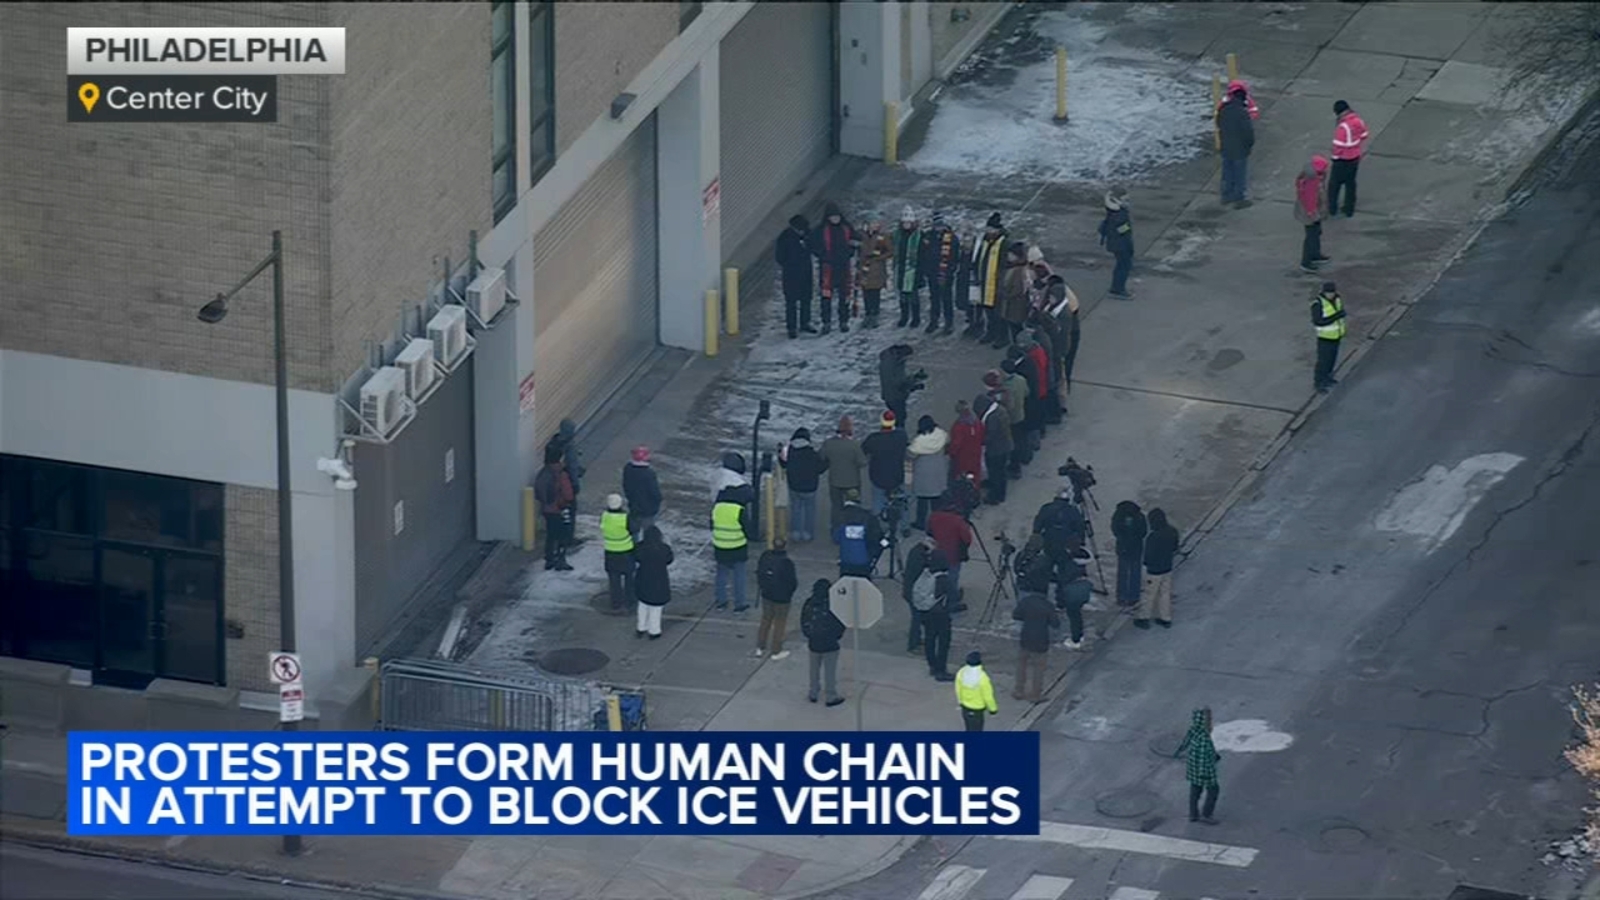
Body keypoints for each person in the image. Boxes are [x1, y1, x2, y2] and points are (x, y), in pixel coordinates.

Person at [811, 201, 858, 333]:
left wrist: (851, 250)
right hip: (828, 268)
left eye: (837, 216)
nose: (835, 219)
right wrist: (822, 255)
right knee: (826, 297)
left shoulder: (846, 227)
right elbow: (812, 244)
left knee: (844, 296)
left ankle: (844, 321)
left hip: (844, 267)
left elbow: (856, 240)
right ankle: (826, 322)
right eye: (832, 217)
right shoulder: (821, 230)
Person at [1012, 569, 1059, 703]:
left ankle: (1018, 690)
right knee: (1039, 668)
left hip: (1025, 637)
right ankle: (1035, 694)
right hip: (1041, 640)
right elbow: (1055, 623)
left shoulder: (1026, 601)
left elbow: (1016, 615)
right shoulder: (1047, 605)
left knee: (1022, 664)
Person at [801, 579, 847, 706]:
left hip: (814, 642)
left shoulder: (809, 603)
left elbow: (803, 620)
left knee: (814, 669)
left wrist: (809, 635)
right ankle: (830, 695)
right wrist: (836, 636)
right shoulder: (834, 604)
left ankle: (813, 692)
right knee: (830, 671)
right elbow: (840, 623)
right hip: (830, 643)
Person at [821, 416, 867, 538]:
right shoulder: (854, 445)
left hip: (835, 481)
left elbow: (822, 457)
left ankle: (836, 531)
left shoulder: (829, 443)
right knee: (853, 507)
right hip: (852, 482)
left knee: (836, 508)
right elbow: (863, 462)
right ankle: (851, 531)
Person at [711, 477, 752, 612]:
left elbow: (711, 526)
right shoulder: (739, 509)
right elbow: (748, 530)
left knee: (721, 575)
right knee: (739, 576)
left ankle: (721, 601)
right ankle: (739, 603)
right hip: (737, 547)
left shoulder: (717, 508)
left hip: (720, 546)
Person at [1174, 707, 1222, 824]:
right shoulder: (1204, 739)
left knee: (1195, 790)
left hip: (1193, 768)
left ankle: (1193, 814)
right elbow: (1203, 759)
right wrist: (1204, 775)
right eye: (1209, 721)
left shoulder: (1194, 730)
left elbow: (1186, 741)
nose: (1211, 725)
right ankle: (1206, 814)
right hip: (1205, 772)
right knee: (1214, 790)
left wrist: (1179, 750)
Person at [532, 444, 575, 571]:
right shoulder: (560, 474)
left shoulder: (544, 472)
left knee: (551, 535)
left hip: (547, 509)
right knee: (562, 535)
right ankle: (560, 560)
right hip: (559, 509)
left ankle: (549, 559)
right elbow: (568, 494)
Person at [780, 427, 827, 542]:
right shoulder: (811, 452)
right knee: (809, 510)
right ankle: (807, 533)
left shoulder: (790, 451)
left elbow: (783, 464)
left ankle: (796, 533)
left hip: (794, 486)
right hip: (810, 488)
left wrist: (779, 452)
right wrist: (827, 462)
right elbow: (820, 468)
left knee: (796, 509)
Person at [966, 213, 1007, 341]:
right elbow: (980, 259)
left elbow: (1004, 265)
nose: (989, 232)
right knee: (988, 310)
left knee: (998, 313)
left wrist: (1000, 282)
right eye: (988, 230)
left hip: (996, 284)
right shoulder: (985, 241)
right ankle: (991, 333)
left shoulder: (1004, 243)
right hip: (984, 282)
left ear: (997, 230)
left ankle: (1001, 337)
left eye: (991, 230)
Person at [755, 537, 798, 659]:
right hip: (782, 598)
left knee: (766, 620)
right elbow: (792, 582)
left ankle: (760, 647)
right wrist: (789, 594)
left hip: (767, 594)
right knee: (780, 623)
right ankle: (776, 650)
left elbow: (759, 573)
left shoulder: (765, 557)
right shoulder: (787, 563)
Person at [926, 498, 972, 610]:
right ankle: (952, 601)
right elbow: (967, 538)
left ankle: (937, 598)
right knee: (952, 577)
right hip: (953, 554)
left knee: (937, 576)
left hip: (936, 553)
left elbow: (928, 532)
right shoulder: (958, 521)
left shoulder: (933, 516)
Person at [1137, 508, 1179, 629]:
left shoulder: (1153, 536)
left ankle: (1144, 617)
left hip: (1154, 570)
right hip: (1167, 567)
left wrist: (1146, 564)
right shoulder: (1172, 531)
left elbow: (1148, 555)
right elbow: (1175, 547)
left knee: (1149, 594)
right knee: (1164, 593)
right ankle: (1165, 617)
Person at [545, 418, 586, 540]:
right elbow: (572, 466)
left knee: (558, 510)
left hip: (551, 480)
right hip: (565, 481)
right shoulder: (569, 446)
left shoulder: (553, 442)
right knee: (570, 509)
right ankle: (568, 537)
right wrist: (575, 484)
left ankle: (557, 535)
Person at [916, 550, 955, 681]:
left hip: (926, 611)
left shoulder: (926, 574)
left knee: (929, 639)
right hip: (940, 614)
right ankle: (941, 670)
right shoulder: (943, 578)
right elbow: (951, 596)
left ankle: (932, 666)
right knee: (943, 642)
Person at [861, 410, 908, 516]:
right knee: (901, 503)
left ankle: (877, 524)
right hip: (897, 476)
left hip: (878, 476)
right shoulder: (901, 436)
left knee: (877, 502)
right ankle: (905, 527)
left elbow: (863, 451)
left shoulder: (873, 439)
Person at [1217, 82, 1256, 208]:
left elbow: (1219, 123)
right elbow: (1248, 133)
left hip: (1226, 147)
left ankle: (1226, 195)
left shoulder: (1223, 109)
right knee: (1240, 174)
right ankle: (1239, 198)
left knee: (1227, 172)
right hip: (1240, 149)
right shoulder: (1242, 113)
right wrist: (1249, 145)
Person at [775, 214, 815, 338]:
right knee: (791, 301)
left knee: (806, 299)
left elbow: (814, 247)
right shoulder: (785, 237)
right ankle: (791, 327)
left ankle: (805, 322)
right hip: (791, 274)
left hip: (806, 271)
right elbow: (780, 256)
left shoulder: (808, 235)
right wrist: (789, 264)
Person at [909, 415, 950, 531]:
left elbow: (910, 455)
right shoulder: (941, 434)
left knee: (922, 501)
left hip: (923, 475)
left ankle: (920, 523)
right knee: (936, 502)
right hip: (938, 472)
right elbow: (948, 443)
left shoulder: (919, 441)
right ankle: (937, 523)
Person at [1329, 100, 1369, 217]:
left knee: (1334, 185)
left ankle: (1332, 208)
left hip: (1342, 159)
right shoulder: (1359, 121)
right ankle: (1349, 209)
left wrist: (1334, 157)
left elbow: (1338, 145)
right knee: (1350, 184)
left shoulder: (1342, 127)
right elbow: (1364, 135)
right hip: (1355, 157)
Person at [924, 213, 962, 335]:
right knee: (934, 298)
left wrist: (950, 270)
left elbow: (955, 256)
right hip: (931, 272)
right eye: (936, 225)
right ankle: (934, 321)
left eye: (940, 225)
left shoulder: (951, 238)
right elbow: (924, 253)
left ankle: (949, 323)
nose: (939, 228)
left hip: (946, 273)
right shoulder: (928, 236)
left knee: (946, 299)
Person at [633, 525, 673, 639]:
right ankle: (654, 630)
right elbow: (669, 560)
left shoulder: (640, 547)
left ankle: (641, 627)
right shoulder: (664, 549)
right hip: (659, 581)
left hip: (643, 579)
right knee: (656, 608)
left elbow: (635, 557)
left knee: (643, 605)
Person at [891, 207, 929, 328]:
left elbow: (923, 254)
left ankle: (916, 318)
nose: (906, 224)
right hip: (901, 267)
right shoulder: (897, 234)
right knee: (902, 295)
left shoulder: (919, 235)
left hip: (913, 269)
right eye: (904, 222)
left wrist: (921, 270)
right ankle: (904, 316)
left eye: (909, 222)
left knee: (913, 295)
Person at [834, 488, 884, 578]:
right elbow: (877, 539)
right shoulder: (868, 517)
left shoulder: (839, 517)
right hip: (864, 562)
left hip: (845, 561)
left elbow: (836, 538)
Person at [1295, 155, 1332, 274]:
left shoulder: (1309, 176)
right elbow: (1310, 201)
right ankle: (1306, 262)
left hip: (1311, 213)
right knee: (1311, 237)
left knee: (1316, 234)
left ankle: (1315, 255)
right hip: (1310, 215)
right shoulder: (1312, 181)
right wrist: (1314, 215)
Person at [975, 394, 1012, 505]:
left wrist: (980, 441)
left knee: (997, 471)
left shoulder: (992, 417)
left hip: (997, 449)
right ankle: (995, 486)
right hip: (1004, 446)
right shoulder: (999, 410)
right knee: (999, 470)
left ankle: (997, 495)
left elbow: (990, 436)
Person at [600, 493, 635, 611]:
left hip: (610, 551)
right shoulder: (625, 517)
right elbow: (634, 529)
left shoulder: (605, 516)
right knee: (629, 577)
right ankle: (630, 601)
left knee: (614, 579)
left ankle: (615, 602)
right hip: (626, 550)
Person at [1312, 281, 1347, 393]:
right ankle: (1319, 382)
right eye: (1328, 293)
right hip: (1324, 338)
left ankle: (1327, 378)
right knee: (1323, 361)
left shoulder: (1337, 299)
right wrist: (1337, 316)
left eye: (1332, 292)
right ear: (1324, 292)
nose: (1330, 295)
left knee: (1331, 360)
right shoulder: (1317, 304)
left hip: (1336, 336)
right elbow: (1318, 322)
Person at [1098, 190, 1135, 300]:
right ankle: (1118, 290)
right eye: (1125, 200)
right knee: (1124, 266)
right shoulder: (1119, 215)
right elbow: (1122, 231)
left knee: (1121, 265)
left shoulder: (1113, 212)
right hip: (1121, 245)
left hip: (1116, 244)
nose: (1127, 202)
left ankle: (1116, 288)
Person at [1034, 488, 1087, 562]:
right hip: (1067, 543)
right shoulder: (1073, 510)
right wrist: (1081, 541)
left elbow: (1037, 525)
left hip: (1049, 540)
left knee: (1049, 560)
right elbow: (1080, 526)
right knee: (1066, 562)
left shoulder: (1046, 508)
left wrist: (1037, 536)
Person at [1111, 500, 1148, 608]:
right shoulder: (1139, 516)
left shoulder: (1118, 515)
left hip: (1122, 547)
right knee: (1135, 573)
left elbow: (1115, 529)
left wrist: (1122, 538)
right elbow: (1143, 532)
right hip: (1136, 547)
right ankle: (1133, 597)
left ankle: (1121, 597)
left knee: (1122, 573)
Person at [996, 241, 1032, 349]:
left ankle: (1020, 348)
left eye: (1011, 254)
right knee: (1014, 327)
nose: (1008, 256)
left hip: (1016, 306)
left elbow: (1018, 288)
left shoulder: (1020, 270)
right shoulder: (1014, 268)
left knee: (1016, 328)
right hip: (1012, 306)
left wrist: (1004, 294)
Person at [622, 445, 662, 539]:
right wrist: (658, 502)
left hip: (634, 505)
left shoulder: (628, 468)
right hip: (648, 508)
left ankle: (634, 548)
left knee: (633, 531)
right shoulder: (649, 473)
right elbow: (654, 492)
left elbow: (625, 486)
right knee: (648, 532)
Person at [857, 221, 891, 327]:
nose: (874, 226)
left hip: (877, 269)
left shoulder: (883, 237)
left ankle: (875, 315)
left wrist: (878, 258)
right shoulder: (861, 235)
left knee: (875, 293)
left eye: (876, 223)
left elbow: (890, 251)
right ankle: (867, 315)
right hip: (864, 268)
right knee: (866, 293)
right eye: (872, 223)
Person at [877, 343, 918, 430]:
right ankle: (898, 438)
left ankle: (892, 436)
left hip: (890, 395)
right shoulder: (893, 363)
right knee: (900, 419)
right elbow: (898, 382)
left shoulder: (890, 360)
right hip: (895, 396)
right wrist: (914, 380)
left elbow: (897, 379)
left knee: (897, 418)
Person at [1058, 548, 1093, 650]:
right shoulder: (1082, 567)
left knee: (1074, 617)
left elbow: (1063, 580)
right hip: (1082, 594)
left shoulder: (1070, 566)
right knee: (1077, 615)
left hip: (1072, 595)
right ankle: (1080, 635)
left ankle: (1076, 640)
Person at [955, 650, 998, 732]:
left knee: (968, 727)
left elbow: (958, 689)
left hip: (965, 706)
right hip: (977, 708)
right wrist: (993, 709)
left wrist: (960, 701)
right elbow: (988, 696)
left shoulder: (962, 672)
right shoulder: (983, 678)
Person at [902, 536, 931, 653]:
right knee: (917, 619)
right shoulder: (919, 557)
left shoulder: (915, 551)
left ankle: (917, 640)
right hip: (914, 593)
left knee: (918, 617)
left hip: (911, 591)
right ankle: (913, 645)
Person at [948, 400, 985, 486]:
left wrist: (951, 452)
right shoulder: (977, 422)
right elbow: (983, 435)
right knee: (975, 473)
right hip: (976, 453)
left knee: (964, 475)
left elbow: (956, 443)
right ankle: (976, 489)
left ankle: (966, 493)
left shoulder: (959, 426)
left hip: (964, 456)